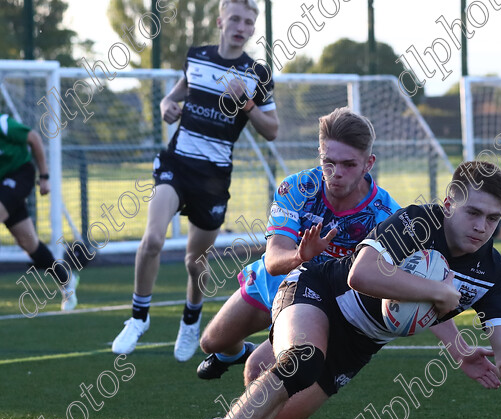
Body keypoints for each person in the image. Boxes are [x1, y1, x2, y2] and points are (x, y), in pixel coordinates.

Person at [177, 161, 501, 419]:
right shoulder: (418, 222)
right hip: (320, 291)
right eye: (473, 212)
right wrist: (437, 291)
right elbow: (360, 275)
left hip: (359, 344)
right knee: (301, 361)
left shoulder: (493, 271)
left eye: (492, 218)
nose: (481, 227)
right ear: (448, 204)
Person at [111, 0, 279, 361]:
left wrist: (247, 104)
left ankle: (191, 317)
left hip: (214, 178)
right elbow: (174, 96)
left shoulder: (258, 74)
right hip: (177, 164)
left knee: (194, 262)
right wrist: (165, 107)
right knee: (153, 238)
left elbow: (273, 130)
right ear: (220, 21)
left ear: (252, 29)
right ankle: (138, 317)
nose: (241, 26)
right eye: (235, 18)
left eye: (248, 22)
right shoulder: (198, 57)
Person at [194, 107, 401, 382]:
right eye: (329, 161)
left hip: (322, 298)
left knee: (258, 369)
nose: (336, 173)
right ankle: (232, 353)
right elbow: (273, 259)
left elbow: (403, 274)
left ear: (368, 163)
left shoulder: (386, 215)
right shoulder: (298, 189)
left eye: (349, 164)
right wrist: (301, 255)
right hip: (278, 277)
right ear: (320, 154)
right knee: (211, 342)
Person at [1, 113, 78, 310]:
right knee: (29, 243)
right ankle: (66, 280)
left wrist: (44, 176)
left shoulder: (4, 124)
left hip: (20, 174)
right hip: (3, 185)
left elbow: (34, 138)